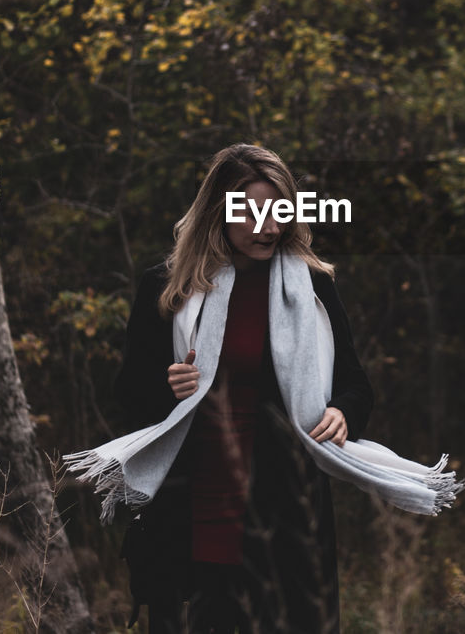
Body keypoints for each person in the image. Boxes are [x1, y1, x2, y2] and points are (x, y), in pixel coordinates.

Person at [112, 144, 374, 633]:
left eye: (279, 212)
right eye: (252, 212)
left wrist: (342, 411)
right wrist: (168, 386)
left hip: (286, 511)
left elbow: (356, 384)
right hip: (192, 509)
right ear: (219, 211)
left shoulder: (312, 288)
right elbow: (130, 397)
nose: (269, 227)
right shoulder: (166, 289)